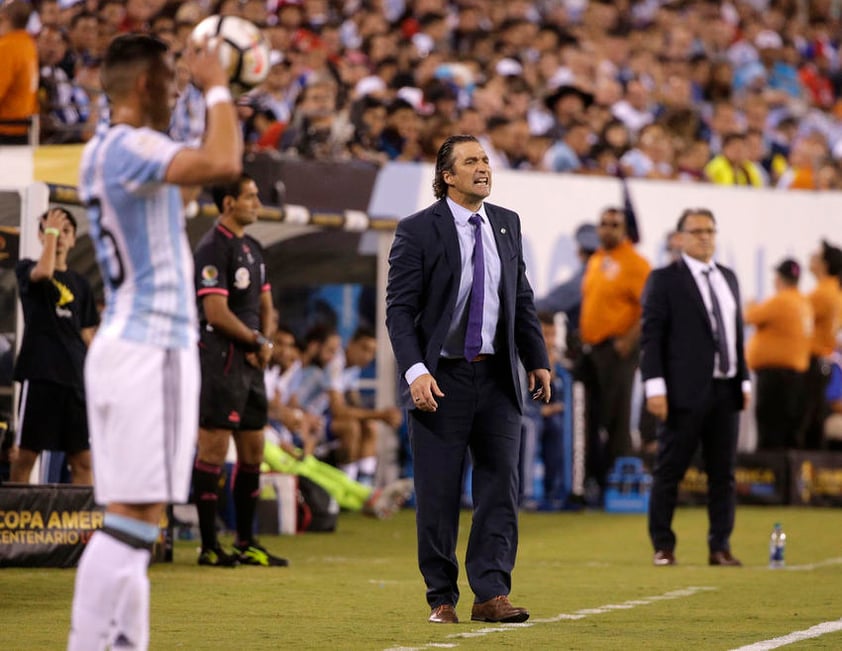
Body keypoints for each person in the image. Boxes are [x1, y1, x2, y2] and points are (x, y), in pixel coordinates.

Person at [68, 34, 242, 651]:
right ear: (144, 86)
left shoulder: (103, 152)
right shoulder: (132, 146)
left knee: (133, 520)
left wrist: (200, 102)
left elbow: (189, 182)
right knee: (135, 525)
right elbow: (222, 163)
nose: (177, 90)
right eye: (171, 81)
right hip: (152, 346)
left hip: (123, 345)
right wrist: (219, 84)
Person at [385, 134, 551, 625]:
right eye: (471, 161)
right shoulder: (417, 230)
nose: (483, 167)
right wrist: (415, 370)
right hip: (441, 380)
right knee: (438, 492)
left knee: (501, 486)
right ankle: (441, 596)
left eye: (485, 160)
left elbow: (520, 297)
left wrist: (535, 357)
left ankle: (492, 593)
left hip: (497, 377)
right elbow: (399, 310)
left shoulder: (507, 224)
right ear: (447, 176)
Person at [641, 208, 750, 568]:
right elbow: (652, 337)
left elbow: (735, 336)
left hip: (725, 389)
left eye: (710, 230)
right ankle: (663, 545)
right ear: (680, 237)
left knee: (724, 474)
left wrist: (743, 378)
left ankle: (720, 546)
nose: (705, 236)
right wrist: (654, 387)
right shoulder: (665, 279)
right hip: (682, 392)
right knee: (670, 470)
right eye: (697, 230)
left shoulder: (729, 278)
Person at [191, 174, 288, 568]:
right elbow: (215, 312)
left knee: (254, 451)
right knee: (213, 448)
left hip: (252, 361)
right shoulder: (212, 247)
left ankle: (246, 541)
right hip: (223, 359)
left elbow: (268, 307)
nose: (257, 202)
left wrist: (265, 342)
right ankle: (209, 544)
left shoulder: (254, 246)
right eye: (250, 196)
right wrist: (255, 343)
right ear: (228, 203)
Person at [11, 208, 98, 485]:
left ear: (74, 240)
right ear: (41, 235)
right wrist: (50, 232)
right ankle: (16, 525)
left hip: (75, 381)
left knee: (83, 461)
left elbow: (87, 335)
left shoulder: (82, 284)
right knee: (25, 457)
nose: (59, 237)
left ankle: (83, 528)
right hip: (41, 376)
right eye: (52, 230)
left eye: (66, 232)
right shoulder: (26, 268)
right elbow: (45, 271)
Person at [579, 207, 651, 493]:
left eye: (614, 224)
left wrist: (627, 341)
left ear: (625, 230)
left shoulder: (635, 263)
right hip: (593, 348)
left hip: (618, 349)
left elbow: (649, 308)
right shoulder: (598, 259)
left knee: (618, 418)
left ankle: (618, 482)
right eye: (604, 223)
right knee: (591, 416)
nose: (608, 229)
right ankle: (595, 477)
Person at [744, 258, 812, 450]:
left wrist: (749, 305)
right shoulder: (803, 301)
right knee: (789, 430)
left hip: (776, 377)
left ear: (780, 279)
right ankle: (788, 476)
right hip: (795, 376)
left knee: (770, 428)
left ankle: (770, 477)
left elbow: (749, 317)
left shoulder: (782, 300)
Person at [323, 326, 403, 485]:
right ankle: (347, 488)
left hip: (325, 422)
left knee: (369, 425)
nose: (368, 356)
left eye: (372, 352)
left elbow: (355, 403)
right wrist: (381, 415)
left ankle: (365, 488)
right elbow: (338, 411)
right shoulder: (336, 362)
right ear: (351, 344)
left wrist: (373, 417)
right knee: (351, 427)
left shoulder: (353, 369)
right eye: (365, 349)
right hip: (313, 419)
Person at [800, 240, 842, 449]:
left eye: (816, 255)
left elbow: (795, 320)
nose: (811, 257)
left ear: (824, 264)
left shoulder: (821, 294)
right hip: (825, 364)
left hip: (813, 363)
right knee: (816, 420)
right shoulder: (836, 292)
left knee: (808, 423)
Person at [0, 0, 38, 144]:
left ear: (5, 16)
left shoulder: (6, 47)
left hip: (6, 130)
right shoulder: (28, 44)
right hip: (23, 126)